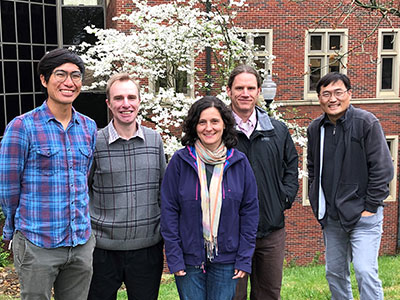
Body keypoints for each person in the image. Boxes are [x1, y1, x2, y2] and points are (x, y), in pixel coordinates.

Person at [0, 48, 97, 299]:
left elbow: (83, 179)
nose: (69, 82)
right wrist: (12, 230)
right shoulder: (22, 127)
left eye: (75, 76)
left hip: (80, 243)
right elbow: (9, 187)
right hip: (37, 242)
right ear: (44, 80)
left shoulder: (88, 127)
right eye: (60, 74)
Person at [161, 96, 259, 300]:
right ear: (194, 126)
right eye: (202, 122)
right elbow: (169, 211)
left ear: (224, 124)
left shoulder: (239, 163)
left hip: (227, 259)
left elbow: (249, 213)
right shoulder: (180, 162)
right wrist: (175, 257)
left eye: (214, 121)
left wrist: (244, 258)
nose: (208, 128)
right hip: (189, 260)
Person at [307, 72, 393, 300]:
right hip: (332, 219)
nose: (332, 99)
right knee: (334, 273)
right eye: (326, 94)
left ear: (349, 94)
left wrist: (370, 207)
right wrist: (319, 204)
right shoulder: (316, 129)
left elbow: (383, 169)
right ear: (319, 98)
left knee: (365, 271)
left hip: (363, 217)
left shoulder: (366, 123)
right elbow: (312, 168)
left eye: (338, 92)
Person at [87, 73, 166, 300]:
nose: (126, 104)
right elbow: (84, 191)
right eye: (118, 98)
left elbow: (163, 191)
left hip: (147, 249)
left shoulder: (154, 140)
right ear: (109, 104)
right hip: (102, 250)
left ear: (139, 101)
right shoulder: (95, 142)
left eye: (131, 97)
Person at [228, 65, 299, 300]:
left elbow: (291, 165)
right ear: (229, 91)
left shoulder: (277, 130)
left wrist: (284, 198)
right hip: (231, 232)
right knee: (232, 295)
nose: (245, 93)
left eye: (251, 88)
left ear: (259, 91)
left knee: (268, 293)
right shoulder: (218, 130)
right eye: (239, 88)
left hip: (271, 229)